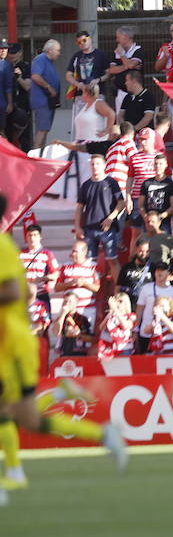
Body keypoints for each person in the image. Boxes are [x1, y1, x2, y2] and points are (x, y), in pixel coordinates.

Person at [0, 193, 129, 500]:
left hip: (12, 342)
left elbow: (17, 291)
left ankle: (15, 472)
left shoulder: (4, 250)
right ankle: (95, 431)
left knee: (11, 413)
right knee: (23, 416)